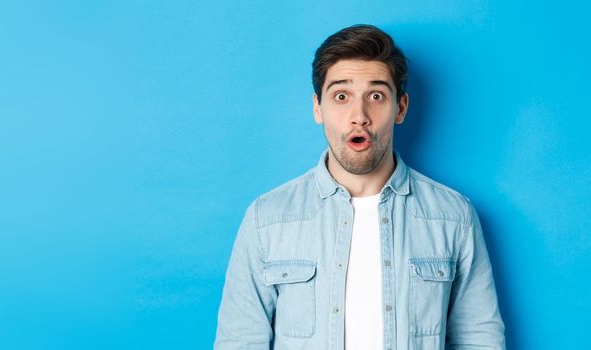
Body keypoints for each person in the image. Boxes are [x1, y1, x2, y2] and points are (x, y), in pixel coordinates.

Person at [214, 24, 505, 350]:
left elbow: (480, 339)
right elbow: (239, 342)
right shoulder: (267, 219)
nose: (359, 116)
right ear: (317, 107)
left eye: (376, 96)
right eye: (341, 96)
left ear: (401, 108)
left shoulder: (453, 217)